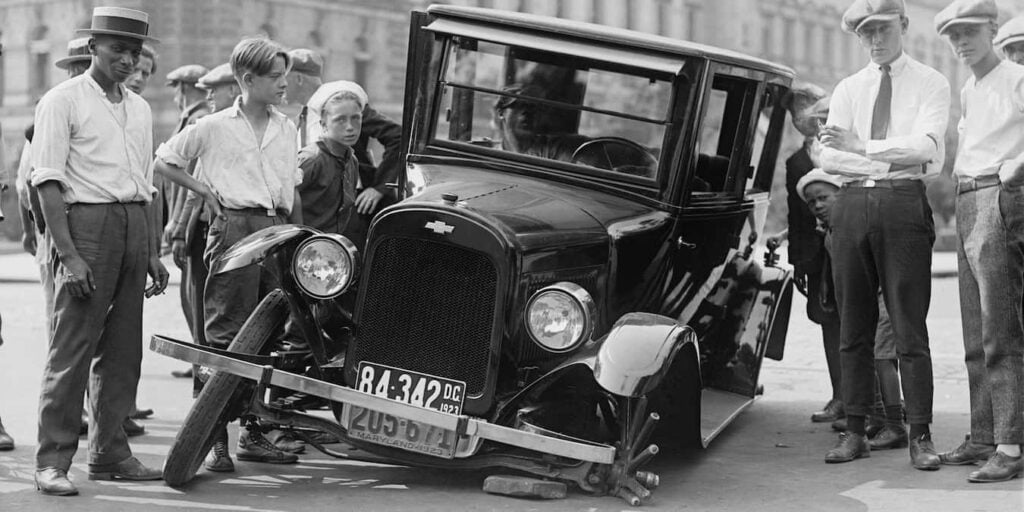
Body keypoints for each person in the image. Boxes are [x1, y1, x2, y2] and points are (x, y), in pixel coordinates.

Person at [30, 6, 167, 495]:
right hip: (85, 224)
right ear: (92, 47)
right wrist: (68, 254)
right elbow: (46, 181)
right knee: (72, 348)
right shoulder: (62, 100)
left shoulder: (139, 107)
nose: (128, 61)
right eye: (117, 49)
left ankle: (110, 453)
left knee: (123, 349)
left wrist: (150, 250)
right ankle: (51, 461)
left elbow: (145, 186)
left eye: (134, 52)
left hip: (132, 224)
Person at [154, 37, 303, 472]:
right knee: (224, 338)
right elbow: (165, 160)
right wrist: (206, 194)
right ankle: (214, 439)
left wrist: (295, 235)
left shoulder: (287, 126)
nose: (283, 84)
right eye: (275, 77)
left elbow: (289, 186)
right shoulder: (214, 125)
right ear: (248, 79)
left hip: (276, 229)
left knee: (269, 336)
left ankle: (252, 433)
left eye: (285, 76)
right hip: (234, 228)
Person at [819, 0, 949, 470]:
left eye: (884, 29)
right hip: (851, 204)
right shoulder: (849, 88)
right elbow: (829, 158)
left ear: (904, 26)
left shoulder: (931, 82)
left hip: (903, 204)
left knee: (909, 326)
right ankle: (856, 431)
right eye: (866, 33)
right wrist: (882, 156)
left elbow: (928, 148)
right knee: (853, 326)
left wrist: (863, 147)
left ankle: (920, 435)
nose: (876, 40)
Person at [934, 0, 1024, 483]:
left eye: (970, 33)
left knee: (999, 328)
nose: (962, 43)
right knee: (974, 328)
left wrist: (1017, 166)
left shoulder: (1016, 77)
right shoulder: (971, 88)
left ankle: (1011, 446)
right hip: (969, 196)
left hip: (998, 195)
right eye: (954, 36)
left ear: (992, 29)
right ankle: (984, 435)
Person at [769, 84, 845, 424]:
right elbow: (796, 214)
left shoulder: (847, 149)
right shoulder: (795, 161)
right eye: (794, 112)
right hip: (815, 256)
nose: (802, 117)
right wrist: (798, 260)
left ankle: (877, 402)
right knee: (828, 322)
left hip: (848, 247)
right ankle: (840, 396)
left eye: (808, 107)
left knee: (863, 323)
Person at [168, 62, 239, 390]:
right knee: (201, 305)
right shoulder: (212, 123)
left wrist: (180, 228)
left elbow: (196, 187)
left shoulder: (207, 124)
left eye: (216, 89)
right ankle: (205, 378)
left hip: (208, 228)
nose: (209, 95)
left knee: (203, 307)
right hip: (206, 228)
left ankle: (206, 381)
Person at [290, 49, 403, 249]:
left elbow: (397, 136)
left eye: (283, 77)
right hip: (315, 214)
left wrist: (379, 187)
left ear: (297, 78)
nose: (281, 85)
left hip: (355, 207)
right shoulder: (306, 114)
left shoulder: (344, 104)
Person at [162, 63, 211, 380]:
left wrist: (178, 230)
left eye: (177, 87)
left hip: (193, 225)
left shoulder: (197, 120)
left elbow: (189, 185)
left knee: (197, 297)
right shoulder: (190, 119)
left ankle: (203, 368)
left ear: (186, 87)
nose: (176, 95)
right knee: (192, 296)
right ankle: (198, 363)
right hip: (189, 224)